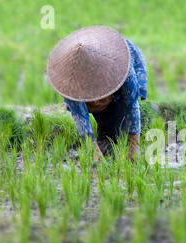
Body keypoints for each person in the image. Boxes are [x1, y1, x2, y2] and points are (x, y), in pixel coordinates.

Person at [46, 25, 147, 162]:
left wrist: (134, 145)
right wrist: (92, 149)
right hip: (85, 84)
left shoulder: (123, 67)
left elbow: (131, 102)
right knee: (103, 135)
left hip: (126, 66)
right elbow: (80, 117)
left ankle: (111, 127)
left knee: (116, 134)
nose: (96, 100)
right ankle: (104, 128)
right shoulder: (70, 81)